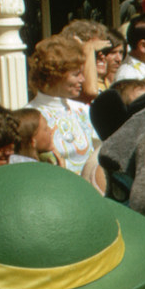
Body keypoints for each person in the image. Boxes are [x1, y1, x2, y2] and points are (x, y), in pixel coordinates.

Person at [26, 35, 103, 186]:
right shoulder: (32, 116)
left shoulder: (81, 110)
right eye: (76, 74)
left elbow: (99, 153)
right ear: (55, 75)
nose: (82, 79)